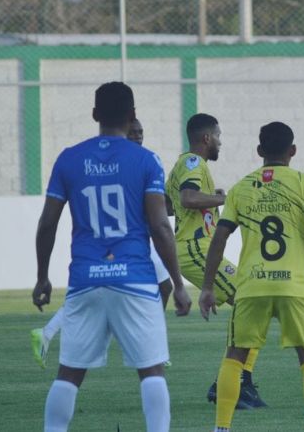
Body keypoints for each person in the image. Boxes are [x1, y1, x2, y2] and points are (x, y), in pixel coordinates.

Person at [32, 81, 192, 432]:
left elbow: (47, 225)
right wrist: (178, 284)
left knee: (69, 373)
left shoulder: (69, 159)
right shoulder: (146, 160)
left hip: (85, 278)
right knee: (151, 370)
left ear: (94, 115)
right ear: (132, 115)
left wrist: (42, 276)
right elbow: (160, 227)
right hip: (134, 278)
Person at [199, 121, 304, 432]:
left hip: (252, 285)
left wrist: (206, 286)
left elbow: (219, 238)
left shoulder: (242, 187)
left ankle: (222, 428)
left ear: (259, 152)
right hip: (293, 285)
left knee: (235, 354)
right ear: (292, 151)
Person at [30, 119, 177, 369]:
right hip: (130, 246)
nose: (138, 136)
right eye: (134, 132)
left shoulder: (138, 161)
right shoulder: (138, 163)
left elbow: (160, 208)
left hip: (134, 242)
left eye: (141, 132)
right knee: (163, 287)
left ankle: (47, 331)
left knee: (159, 288)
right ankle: (147, 344)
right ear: (123, 132)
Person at [165, 113, 266, 409]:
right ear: (206, 138)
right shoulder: (193, 163)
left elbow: (172, 205)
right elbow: (187, 199)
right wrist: (226, 200)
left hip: (197, 248)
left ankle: (235, 382)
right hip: (196, 248)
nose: (220, 142)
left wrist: (211, 198)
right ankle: (235, 383)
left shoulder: (186, 165)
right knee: (253, 301)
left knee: (253, 303)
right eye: (218, 136)